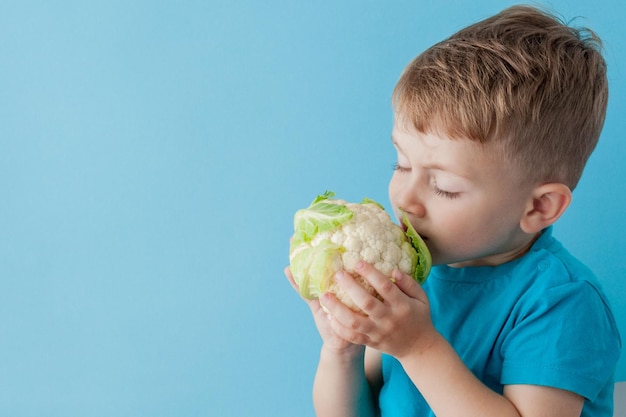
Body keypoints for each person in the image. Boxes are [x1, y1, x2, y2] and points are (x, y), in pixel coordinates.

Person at [285, 4, 621, 417]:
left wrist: (419, 347)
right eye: (402, 164)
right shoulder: (411, 274)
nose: (406, 199)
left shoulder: (560, 303)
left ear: (539, 207)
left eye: (444, 186)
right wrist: (342, 352)